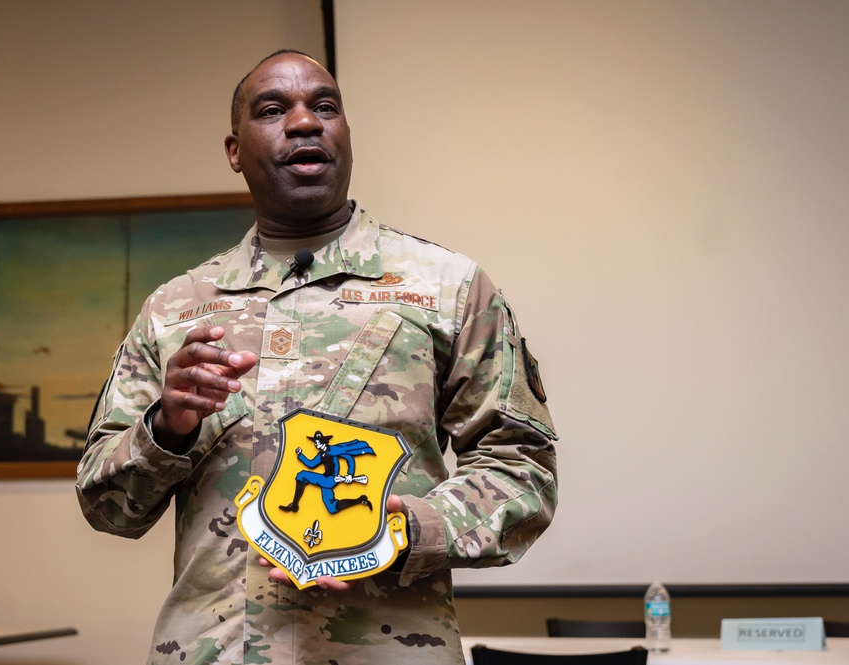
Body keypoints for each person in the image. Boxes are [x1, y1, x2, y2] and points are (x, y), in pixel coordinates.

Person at [76, 49, 558, 665]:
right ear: (234, 150)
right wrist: (166, 429)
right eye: (274, 109)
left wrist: (403, 533)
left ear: (346, 136)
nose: (305, 123)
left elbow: (523, 470)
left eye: (325, 107)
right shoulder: (176, 309)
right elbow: (107, 508)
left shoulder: (450, 287)